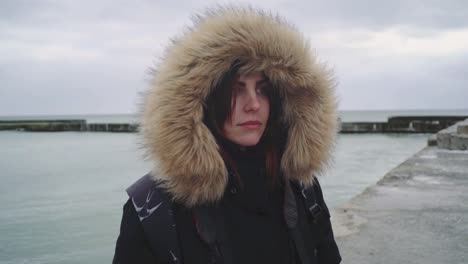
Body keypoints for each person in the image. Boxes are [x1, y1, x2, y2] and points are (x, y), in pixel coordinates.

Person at [113, 5, 341, 264]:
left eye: (263, 89)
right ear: (205, 101)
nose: (253, 104)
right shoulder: (152, 208)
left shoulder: (301, 188)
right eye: (236, 89)